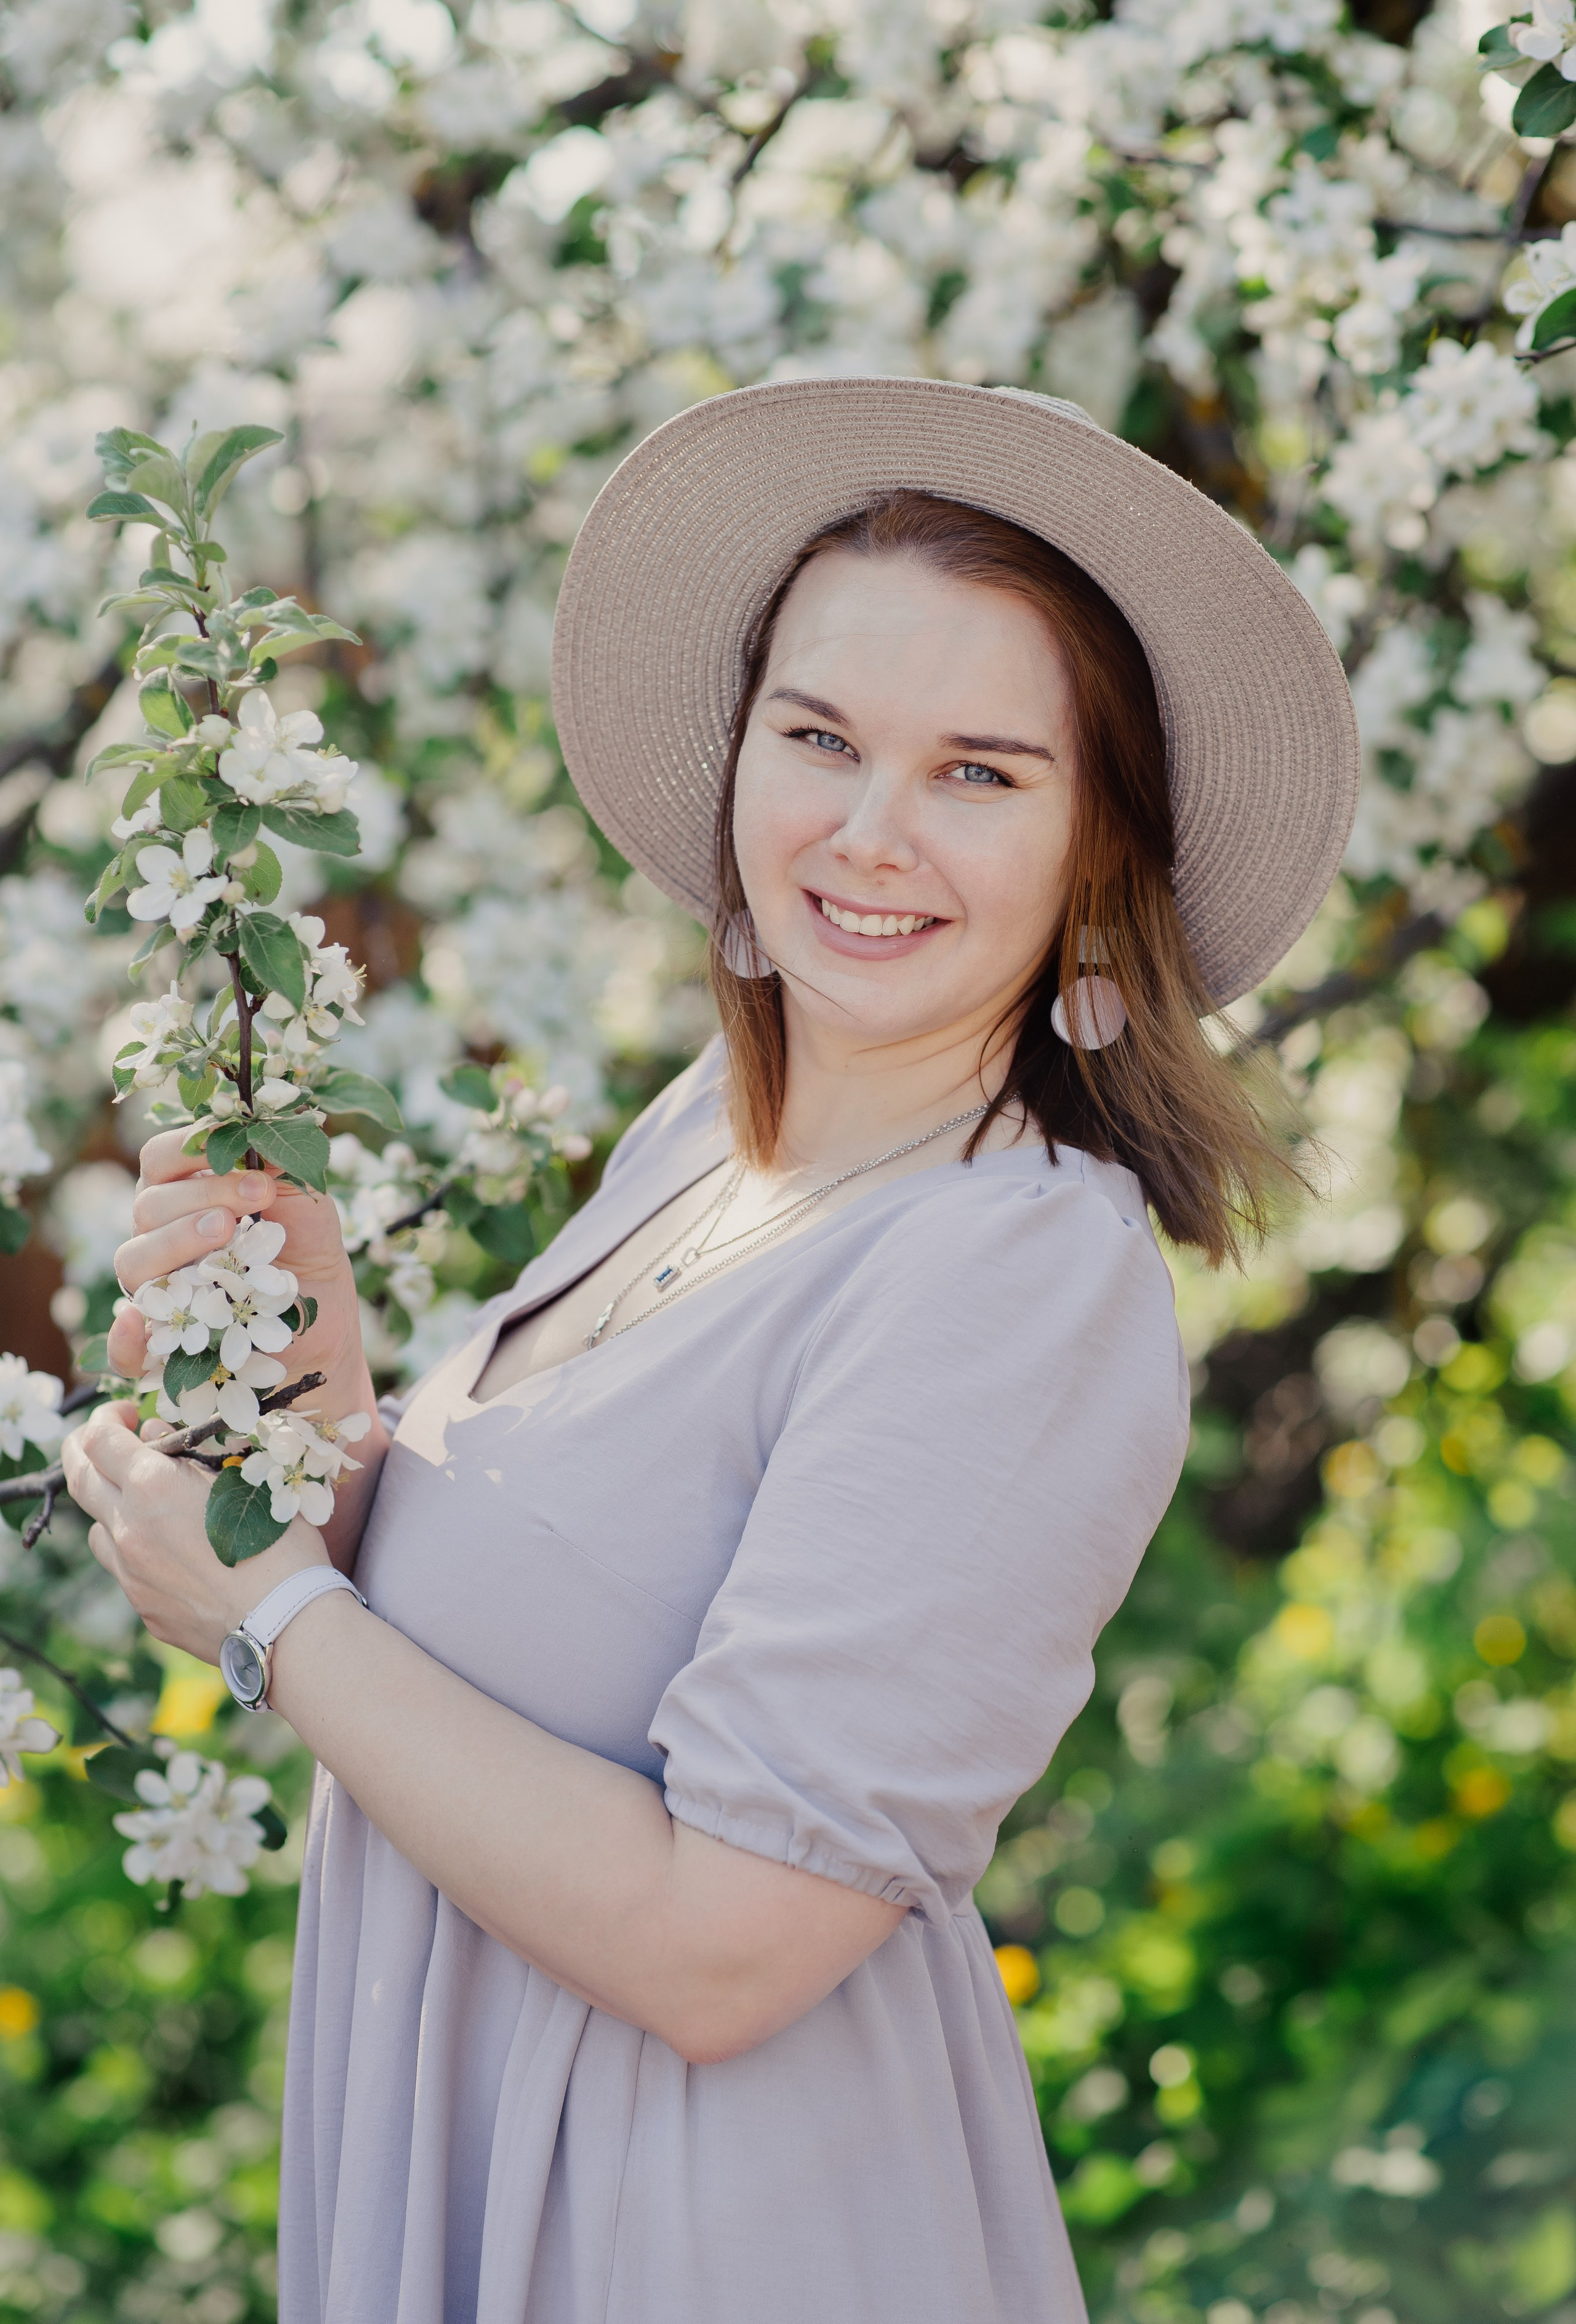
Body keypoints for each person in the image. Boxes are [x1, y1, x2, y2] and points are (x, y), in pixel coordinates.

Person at [63, 377, 1358, 2324]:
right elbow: (555, 1631)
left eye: (981, 773)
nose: (865, 832)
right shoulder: (712, 1135)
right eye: (818, 736)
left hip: (702, 2237)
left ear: (1104, 846)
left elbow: (728, 1946)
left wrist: (265, 1621)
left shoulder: (1019, 1275)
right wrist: (321, 1431)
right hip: (484, 2156)